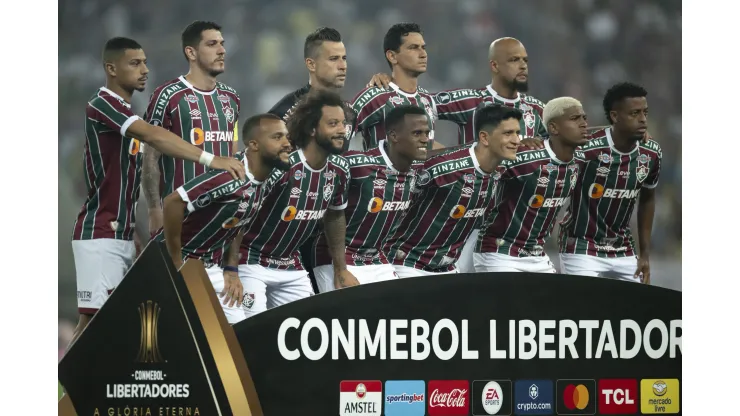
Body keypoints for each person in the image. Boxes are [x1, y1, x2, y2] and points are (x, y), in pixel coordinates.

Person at [69, 37, 246, 346]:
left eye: (145, 62)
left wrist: (132, 230)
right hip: (99, 231)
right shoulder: (104, 104)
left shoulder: (124, 108)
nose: (145, 70)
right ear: (111, 68)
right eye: (135, 63)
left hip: (121, 232)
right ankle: (59, 394)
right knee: (93, 325)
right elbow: (154, 136)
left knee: (119, 326)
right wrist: (210, 158)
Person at [226, 90, 356, 319]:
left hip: (290, 264)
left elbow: (335, 216)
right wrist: (232, 269)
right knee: (251, 331)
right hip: (252, 261)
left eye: (343, 123)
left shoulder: (340, 170)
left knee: (309, 334)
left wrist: (341, 268)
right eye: (333, 123)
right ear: (312, 129)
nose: (342, 130)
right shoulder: (282, 167)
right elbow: (241, 211)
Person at [154, 114, 291, 323]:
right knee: (191, 335)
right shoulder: (230, 176)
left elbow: (238, 222)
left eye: (287, 137)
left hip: (211, 267)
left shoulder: (268, 178)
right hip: (180, 264)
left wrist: (232, 268)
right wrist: (175, 261)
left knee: (238, 334)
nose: (287, 144)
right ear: (254, 145)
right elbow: (174, 201)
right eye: (278, 137)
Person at [384, 105, 522, 277]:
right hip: (408, 264)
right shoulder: (445, 169)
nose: (517, 140)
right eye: (508, 134)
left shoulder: (502, 169)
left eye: (518, 133)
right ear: (484, 138)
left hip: (449, 268)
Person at [311, 105, 429, 292]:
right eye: (417, 133)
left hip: (377, 259)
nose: (425, 140)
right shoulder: (357, 165)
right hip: (338, 259)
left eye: (427, 133)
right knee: (348, 320)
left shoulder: (419, 170)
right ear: (394, 136)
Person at [142, 21, 242, 237]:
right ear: (191, 52)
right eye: (212, 44)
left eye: (222, 44)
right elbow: (150, 156)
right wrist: (154, 209)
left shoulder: (232, 98)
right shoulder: (167, 96)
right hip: (180, 218)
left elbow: (232, 152)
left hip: (222, 217)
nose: (222, 50)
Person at [558, 82, 661, 284]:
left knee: (638, 311)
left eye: (645, 113)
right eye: (635, 114)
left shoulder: (651, 153)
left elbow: (648, 199)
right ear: (615, 117)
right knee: (584, 311)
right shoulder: (587, 149)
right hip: (582, 245)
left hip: (623, 248)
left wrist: (645, 255)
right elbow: (555, 142)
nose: (643, 120)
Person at [474, 97, 590, 273]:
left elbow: (613, 134)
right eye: (575, 119)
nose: (583, 124)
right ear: (553, 128)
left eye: (584, 118)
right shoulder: (524, 156)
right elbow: (479, 160)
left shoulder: (580, 159)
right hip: (500, 252)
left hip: (537, 255)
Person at [351, 23, 444, 151]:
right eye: (414, 47)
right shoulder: (375, 95)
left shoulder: (425, 98)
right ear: (392, 56)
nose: (423, 54)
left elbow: (429, 146)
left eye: (423, 47)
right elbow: (340, 133)